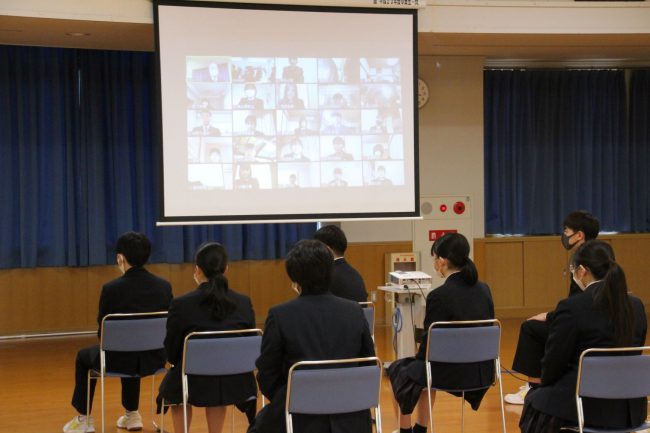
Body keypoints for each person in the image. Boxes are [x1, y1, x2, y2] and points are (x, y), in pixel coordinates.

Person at [248, 239, 375, 433]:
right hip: (351, 418)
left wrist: (293, 398)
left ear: (294, 278)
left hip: (298, 418)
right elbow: (369, 364)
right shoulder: (354, 311)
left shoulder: (280, 315)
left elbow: (267, 374)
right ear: (331, 271)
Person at [520, 240, 647, 432]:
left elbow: (554, 364)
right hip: (630, 408)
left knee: (534, 400)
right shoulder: (636, 305)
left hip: (586, 407)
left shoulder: (572, 307)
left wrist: (543, 384)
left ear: (581, 271)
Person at [63, 232, 173, 433]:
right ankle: (132, 415)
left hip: (116, 359)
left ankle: (84, 419)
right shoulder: (164, 287)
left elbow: (103, 333)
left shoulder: (111, 289)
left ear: (121, 258)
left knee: (84, 357)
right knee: (134, 348)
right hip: (155, 359)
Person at [387, 233, 495, 433]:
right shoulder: (484, 289)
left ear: (443, 261)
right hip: (483, 373)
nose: (434, 263)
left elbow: (429, 347)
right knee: (423, 369)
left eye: (435, 258)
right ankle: (420, 429)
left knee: (400, 369)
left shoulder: (438, 296)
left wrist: (419, 359)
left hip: (450, 373)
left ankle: (405, 430)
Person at [158, 243, 257, 433]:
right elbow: (249, 344)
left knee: (175, 384)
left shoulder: (181, 304)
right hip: (235, 380)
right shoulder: (243, 302)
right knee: (216, 382)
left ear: (197, 270)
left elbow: (172, 351)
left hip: (193, 379)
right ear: (226, 269)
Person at [505, 211, 600, 405]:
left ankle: (534, 388)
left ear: (579, 235)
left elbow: (578, 304)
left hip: (582, 327)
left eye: (566, 230)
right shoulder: (600, 255)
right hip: (591, 323)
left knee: (531, 328)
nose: (564, 235)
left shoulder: (582, 263)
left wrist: (550, 316)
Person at [313, 225, 367, 302]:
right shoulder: (356, 274)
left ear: (327, 249)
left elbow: (315, 304)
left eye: (317, 248)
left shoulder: (326, 276)